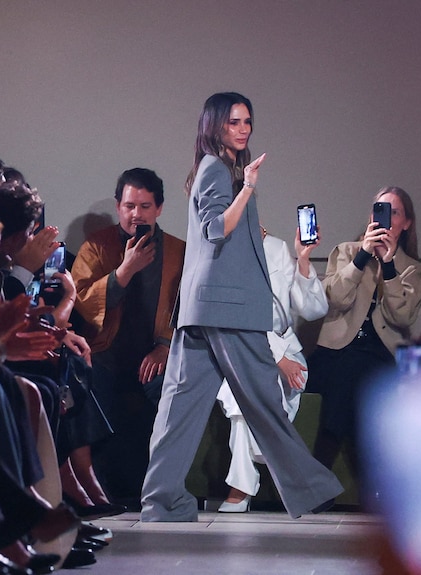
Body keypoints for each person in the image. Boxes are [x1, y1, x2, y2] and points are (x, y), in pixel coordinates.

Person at [140, 92, 343, 522]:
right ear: (214, 126)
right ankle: (312, 488)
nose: (243, 128)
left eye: (247, 121)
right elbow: (216, 228)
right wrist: (248, 187)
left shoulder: (215, 169)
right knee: (262, 400)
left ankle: (160, 502)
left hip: (203, 307)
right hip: (226, 308)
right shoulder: (218, 169)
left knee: (179, 407)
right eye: (233, 122)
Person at [70, 167, 185, 509]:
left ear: (159, 208)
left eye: (145, 206)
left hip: (159, 355)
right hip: (105, 352)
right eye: (129, 205)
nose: (137, 214)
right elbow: (81, 300)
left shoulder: (179, 250)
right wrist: (124, 271)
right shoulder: (96, 246)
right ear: (119, 206)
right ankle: (101, 492)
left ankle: (161, 491)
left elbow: (188, 307)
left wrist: (165, 345)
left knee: (171, 398)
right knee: (93, 390)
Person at [308, 186, 421, 481]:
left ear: (406, 222)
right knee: (345, 375)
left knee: (351, 372)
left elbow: (402, 316)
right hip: (335, 349)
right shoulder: (346, 252)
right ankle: (370, 486)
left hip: (380, 355)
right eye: (379, 210)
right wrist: (362, 257)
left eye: (393, 211)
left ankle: (317, 476)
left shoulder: (411, 269)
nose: (384, 217)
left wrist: (388, 265)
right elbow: (333, 299)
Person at [215, 225, 328, 512]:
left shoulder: (276, 248)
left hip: (287, 353)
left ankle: (244, 485)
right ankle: (244, 485)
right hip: (244, 352)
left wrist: (303, 259)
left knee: (250, 392)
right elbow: (236, 318)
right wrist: (276, 359)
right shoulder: (221, 251)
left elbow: (313, 310)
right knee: (238, 390)